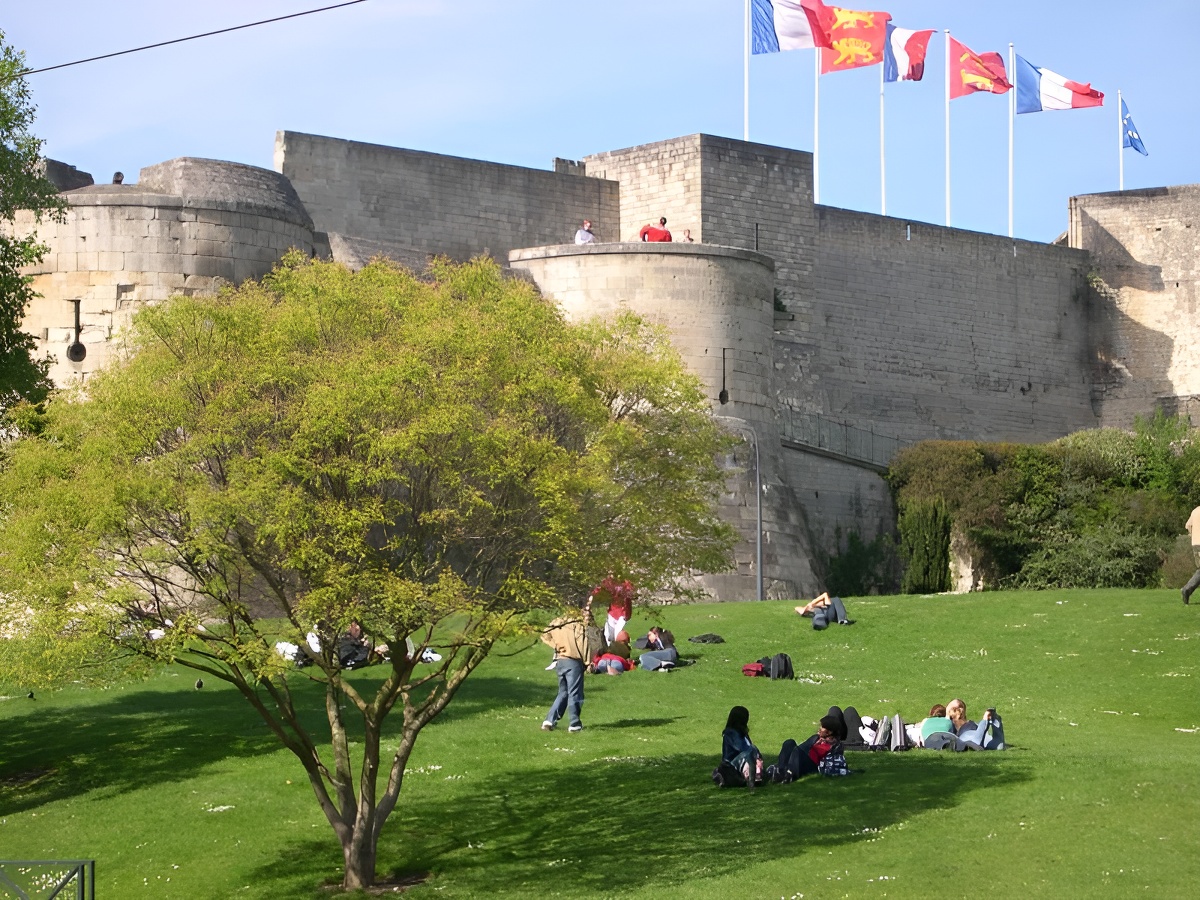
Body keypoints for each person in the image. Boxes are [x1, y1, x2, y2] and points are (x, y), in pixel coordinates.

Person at [541, 600, 594, 732]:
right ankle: (575, 723)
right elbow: (583, 644)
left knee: (563, 692)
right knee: (574, 693)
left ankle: (549, 721)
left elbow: (544, 635)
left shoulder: (557, 622)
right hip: (573, 661)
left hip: (560, 660)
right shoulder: (577, 624)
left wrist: (557, 646)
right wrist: (587, 662)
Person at [771, 715, 842, 782]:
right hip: (803, 760)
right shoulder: (816, 738)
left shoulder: (834, 745)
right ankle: (780, 771)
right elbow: (803, 747)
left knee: (797, 751)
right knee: (789, 742)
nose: (819, 728)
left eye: (822, 727)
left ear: (829, 732)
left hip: (813, 765)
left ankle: (790, 775)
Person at [717, 705, 762, 790]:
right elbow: (742, 749)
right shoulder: (731, 733)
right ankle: (751, 778)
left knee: (752, 752)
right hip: (731, 764)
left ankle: (753, 775)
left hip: (740, 762)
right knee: (750, 752)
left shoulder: (741, 732)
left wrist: (757, 756)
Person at [593, 575, 635, 644]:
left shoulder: (625, 584)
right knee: (608, 634)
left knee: (617, 634)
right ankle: (610, 650)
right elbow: (600, 589)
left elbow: (630, 590)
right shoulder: (609, 582)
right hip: (612, 612)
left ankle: (620, 649)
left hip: (623, 614)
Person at [1181, 504, 1200, 604]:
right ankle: (1187, 589)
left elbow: (1188, 525)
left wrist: (1192, 533)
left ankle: (1187, 590)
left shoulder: (1195, 511)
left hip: (1195, 544)